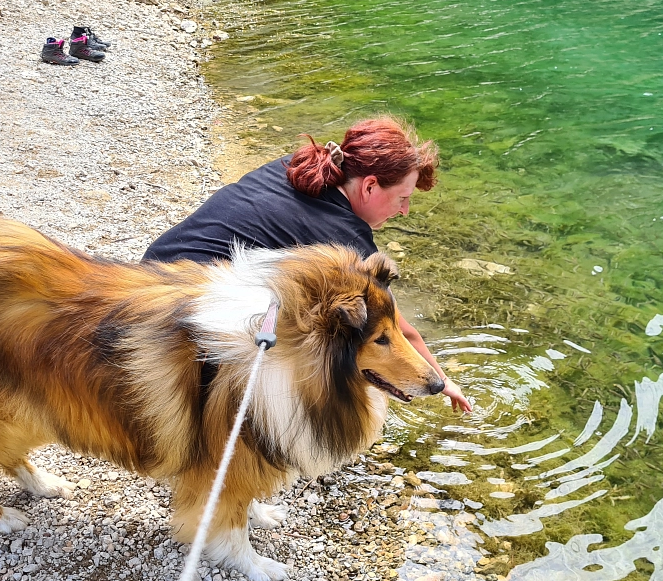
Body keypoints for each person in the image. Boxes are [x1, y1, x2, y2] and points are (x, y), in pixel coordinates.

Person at [143, 115, 473, 412]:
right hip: (173, 321)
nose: (405, 211)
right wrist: (443, 384)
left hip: (150, 274)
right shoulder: (342, 240)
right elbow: (396, 327)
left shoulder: (302, 167)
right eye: (403, 198)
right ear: (370, 185)